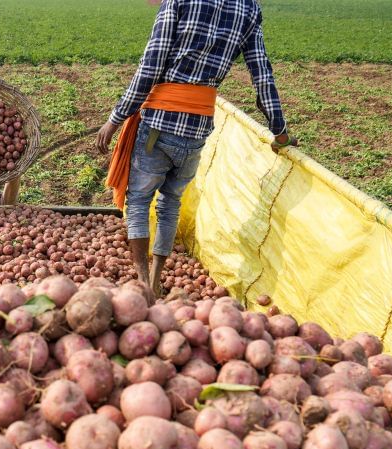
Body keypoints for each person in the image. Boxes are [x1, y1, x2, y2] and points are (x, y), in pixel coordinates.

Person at [97, 0, 292, 297]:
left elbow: (151, 64)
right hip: (198, 127)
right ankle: (156, 280)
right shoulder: (249, 9)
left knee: (138, 200)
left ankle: (143, 282)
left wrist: (116, 117)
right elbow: (261, 74)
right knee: (171, 202)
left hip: (160, 122)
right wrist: (280, 131)